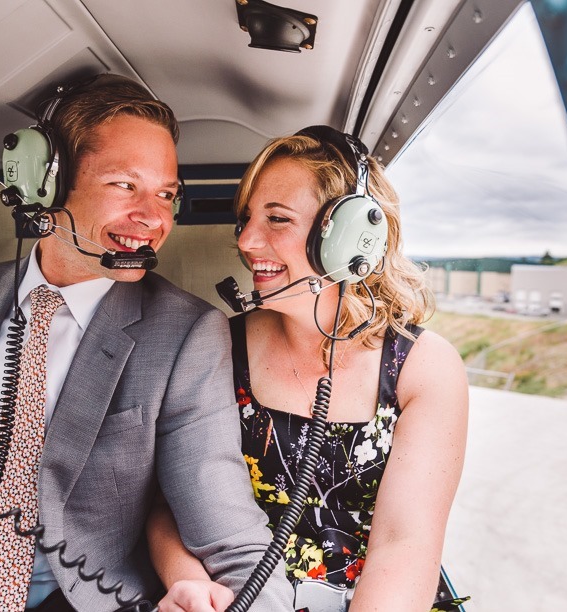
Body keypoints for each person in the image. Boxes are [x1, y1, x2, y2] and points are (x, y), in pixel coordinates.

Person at [0, 74, 292, 612]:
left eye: (166, 194)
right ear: (45, 182)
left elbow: (228, 528)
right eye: (125, 185)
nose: (156, 217)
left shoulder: (186, 334)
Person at [148, 126, 470, 611]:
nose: (248, 241)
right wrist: (189, 584)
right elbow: (170, 504)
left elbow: (405, 545)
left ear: (350, 237)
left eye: (277, 219)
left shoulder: (423, 369)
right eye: (246, 220)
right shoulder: (215, 344)